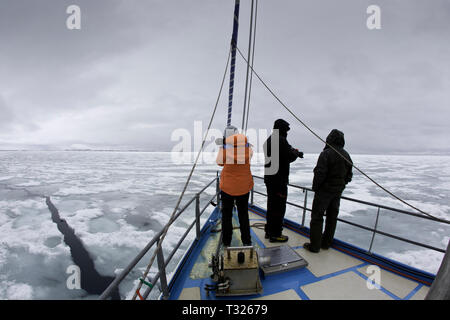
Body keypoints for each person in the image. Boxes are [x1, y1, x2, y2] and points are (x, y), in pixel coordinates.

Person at [304, 129, 353, 253]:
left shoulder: (326, 154)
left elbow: (319, 173)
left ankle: (315, 246)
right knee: (332, 218)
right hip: (337, 192)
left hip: (324, 191)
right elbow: (349, 175)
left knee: (317, 217)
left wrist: (316, 187)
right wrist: (341, 185)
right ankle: (326, 243)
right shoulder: (346, 155)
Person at [263, 119, 303, 242]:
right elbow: (288, 156)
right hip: (278, 179)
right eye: (286, 130)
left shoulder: (269, 139)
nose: (287, 132)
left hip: (270, 178)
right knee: (279, 207)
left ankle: (269, 231)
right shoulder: (281, 140)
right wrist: (296, 154)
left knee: (271, 206)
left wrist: (292, 152)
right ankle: (276, 234)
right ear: (282, 129)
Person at [216, 125, 254, 247]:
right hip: (244, 187)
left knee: (226, 216)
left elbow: (219, 162)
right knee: (243, 215)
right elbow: (250, 154)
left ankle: (226, 241)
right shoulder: (248, 149)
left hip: (227, 188)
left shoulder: (225, 149)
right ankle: (247, 241)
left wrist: (223, 147)